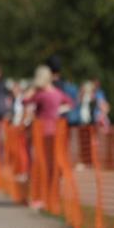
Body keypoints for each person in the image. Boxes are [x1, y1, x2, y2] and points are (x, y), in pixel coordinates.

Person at [22, 65, 73, 210]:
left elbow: (25, 101)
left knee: (40, 165)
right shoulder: (57, 93)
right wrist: (60, 110)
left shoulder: (41, 94)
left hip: (41, 133)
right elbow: (70, 103)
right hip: (56, 132)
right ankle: (52, 197)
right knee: (52, 166)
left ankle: (40, 197)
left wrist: (32, 89)